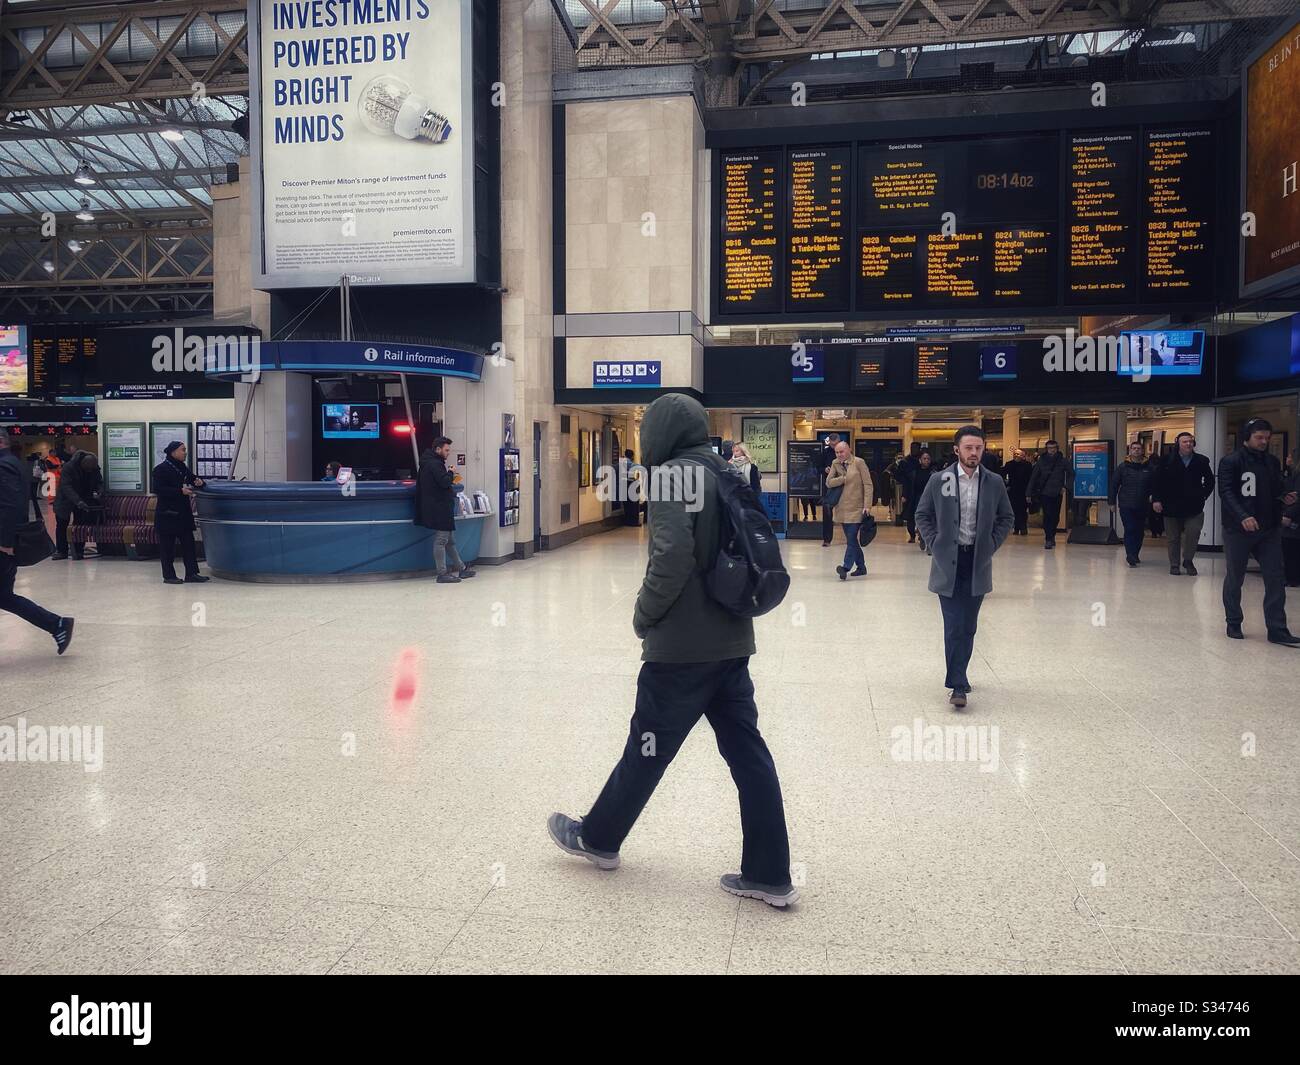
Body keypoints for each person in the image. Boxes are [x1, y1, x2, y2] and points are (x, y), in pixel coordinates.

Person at [547, 393, 795, 907]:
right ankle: (770, 874)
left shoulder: (670, 478)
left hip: (681, 650)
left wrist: (643, 615)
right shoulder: (725, 472)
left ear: (661, 433)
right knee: (749, 757)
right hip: (732, 642)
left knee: (647, 749)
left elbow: (672, 557)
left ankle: (598, 838)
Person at [915, 426, 1014, 708]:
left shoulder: (994, 482)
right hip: (948, 562)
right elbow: (923, 513)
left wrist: (991, 544)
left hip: (977, 562)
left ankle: (960, 673)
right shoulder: (940, 479)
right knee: (953, 625)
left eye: (978, 448)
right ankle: (957, 684)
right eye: (968, 448)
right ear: (957, 449)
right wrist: (935, 543)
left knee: (968, 625)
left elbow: (1006, 517)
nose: (974, 453)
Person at [1219, 418, 1299, 644]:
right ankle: (1233, 621)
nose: (1264, 442)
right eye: (1259, 438)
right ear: (1247, 437)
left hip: (1269, 529)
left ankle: (1277, 628)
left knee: (1275, 577)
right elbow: (1226, 492)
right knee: (1236, 576)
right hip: (1238, 530)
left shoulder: (1272, 462)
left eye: (1266, 438)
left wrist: (1285, 497)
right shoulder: (1231, 462)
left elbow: (1275, 489)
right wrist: (1243, 516)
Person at [0, 434, 74, 653]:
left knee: (5, 596)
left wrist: (5, 542)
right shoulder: (11, 463)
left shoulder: (4, 465)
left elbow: (10, 506)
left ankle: (56, 623)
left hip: (4, 544)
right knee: (4, 596)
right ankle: (56, 624)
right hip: (7, 542)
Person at [1151, 431, 1215, 576]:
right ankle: (1174, 564)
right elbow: (1157, 481)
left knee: (1193, 533)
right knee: (1173, 538)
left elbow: (1210, 481)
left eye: (1190, 441)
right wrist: (1156, 499)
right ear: (1178, 444)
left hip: (1194, 506)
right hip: (1171, 505)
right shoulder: (1166, 460)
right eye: (1185, 442)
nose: (1188, 444)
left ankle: (1188, 560)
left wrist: (1203, 495)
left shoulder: (1201, 461)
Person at [415, 435, 476, 584]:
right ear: (438, 449)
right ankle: (441, 573)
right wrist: (451, 472)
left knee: (450, 540)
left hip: (437, 506)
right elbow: (444, 482)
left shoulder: (428, 462)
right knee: (442, 540)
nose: (448, 453)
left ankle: (461, 567)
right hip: (439, 507)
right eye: (446, 450)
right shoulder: (435, 464)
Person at [151, 441, 209, 585]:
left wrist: (199, 482)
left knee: (189, 545)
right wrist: (179, 491)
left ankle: (192, 573)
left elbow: (192, 478)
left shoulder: (182, 467)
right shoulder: (160, 469)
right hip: (167, 514)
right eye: (182, 450)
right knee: (167, 548)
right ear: (173, 452)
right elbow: (158, 489)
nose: (185, 452)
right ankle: (169, 576)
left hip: (183, 513)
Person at [825, 439, 873, 580]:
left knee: (851, 538)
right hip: (841, 508)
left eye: (841, 451)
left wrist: (867, 505)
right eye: (837, 452)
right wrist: (843, 479)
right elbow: (828, 483)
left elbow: (868, 485)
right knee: (852, 540)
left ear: (849, 450)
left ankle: (845, 567)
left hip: (857, 508)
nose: (839, 454)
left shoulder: (859, 463)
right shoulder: (835, 463)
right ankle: (861, 567)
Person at [52, 450, 102, 561]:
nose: (89, 471)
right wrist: (78, 501)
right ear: (82, 464)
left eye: (91, 469)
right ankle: (61, 551)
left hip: (84, 498)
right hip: (65, 499)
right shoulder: (69, 467)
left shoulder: (93, 466)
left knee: (81, 525)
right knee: (62, 525)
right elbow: (66, 487)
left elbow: (99, 481)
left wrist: (99, 490)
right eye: (87, 469)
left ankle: (79, 550)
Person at [1109, 441, 1153, 567]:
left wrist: (1153, 497)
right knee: (1130, 528)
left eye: (1139, 448)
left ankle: (1135, 553)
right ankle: (1130, 555)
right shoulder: (1122, 467)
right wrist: (1111, 502)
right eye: (1134, 448)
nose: (1136, 450)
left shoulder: (1148, 467)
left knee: (1139, 531)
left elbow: (1154, 485)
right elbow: (1114, 485)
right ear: (1130, 451)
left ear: (1142, 450)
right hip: (1126, 504)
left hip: (1142, 504)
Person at [1027, 439, 1073, 550]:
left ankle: (1051, 535)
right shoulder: (1041, 461)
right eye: (1049, 448)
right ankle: (1048, 538)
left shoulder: (1063, 461)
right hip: (1044, 492)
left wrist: (1065, 487)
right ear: (1046, 449)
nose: (1052, 450)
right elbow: (1034, 477)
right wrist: (1028, 493)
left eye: (1053, 448)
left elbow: (1072, 474)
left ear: (1057, 449)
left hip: (1057, 492)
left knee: (1055, 516)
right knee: (1047, 515)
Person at [1003, 448, 1033, 535]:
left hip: (1024, 490)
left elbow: (1030, 478)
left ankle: (1023, 527)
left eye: (1018, 454)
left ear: (1023, 456)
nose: (1016, 456)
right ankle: (1016, 527)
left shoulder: (1027, 465)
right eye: (1015, 454)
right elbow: (1004, 474)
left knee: (1023, 510)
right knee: (1014, 509)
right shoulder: (1009, 464)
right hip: (1012, 490)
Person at [910, 450, 936, 552]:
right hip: (918, 498)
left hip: (932, 499)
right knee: (921, 519)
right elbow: (911, 486)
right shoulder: (915, 472)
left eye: (928, 459)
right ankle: (922, 537)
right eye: (924, 459)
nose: (926, 461)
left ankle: (930, 543)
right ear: (920, 460)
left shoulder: (934, 473)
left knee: (932, 521)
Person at [1282, 450, 1300, 588]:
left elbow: (1297, 498)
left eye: (1289, 456)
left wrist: (1288, 515)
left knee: (1291, 549)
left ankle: (1292, 578)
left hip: (1294, 518)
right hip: (1292, 515)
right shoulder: (1291, 474)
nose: (1287, 458)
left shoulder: (1297, 476)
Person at [819, 433, 839, 547]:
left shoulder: (845, 452)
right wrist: (824, 469)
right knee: (827, 512)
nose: (833, 447)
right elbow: (818, 467)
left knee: (846, 511)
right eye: (831, 445)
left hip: (842, 485)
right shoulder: (825, 453)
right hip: (829, 485)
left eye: (835, 444)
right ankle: (827, 539)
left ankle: (851, 537)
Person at [619, 449, 640, 526]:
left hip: (623, 484)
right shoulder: (629, 462)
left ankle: (627, 521)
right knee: (633, 504)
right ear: (631, 456)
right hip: (629, 483)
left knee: (626, 504)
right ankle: (633, 522)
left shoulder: (621, 462)